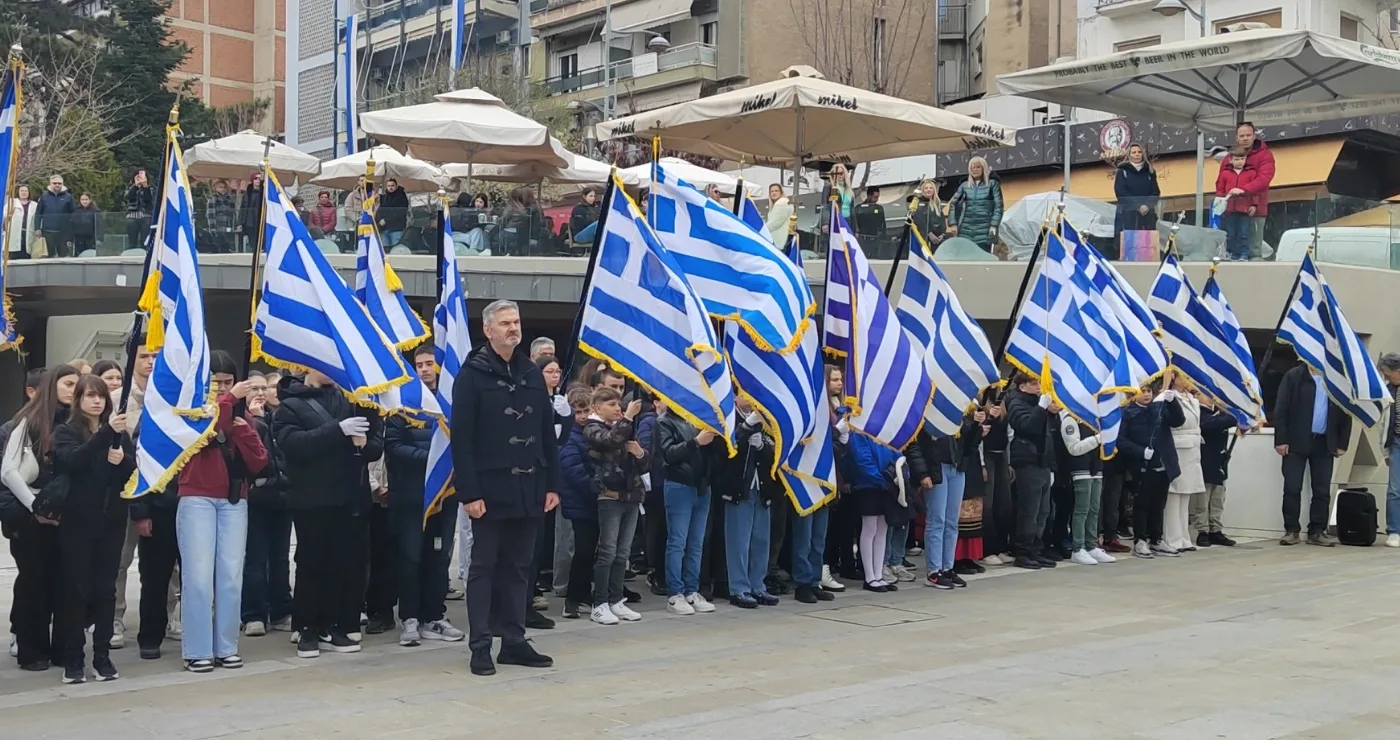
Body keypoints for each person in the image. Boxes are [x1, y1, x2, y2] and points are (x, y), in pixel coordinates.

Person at [453, 300, 560, 676]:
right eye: (505, 323)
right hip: (490, 489)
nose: (513, 328)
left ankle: (513, 640)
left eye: (516, 322)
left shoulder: (531, 372)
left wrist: (552, 484)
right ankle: (480, 644)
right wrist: (469, 493)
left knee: (519, 567)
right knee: (484, 568)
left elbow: (546, 433)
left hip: (530, 487)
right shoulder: (472, 375)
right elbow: (462, 440)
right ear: (488, 330)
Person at [274, 368, 384, 659]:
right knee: (312, 564)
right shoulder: (290, 405)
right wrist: (337, 430)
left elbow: (374, 444)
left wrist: (365, 444)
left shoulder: (352, 399)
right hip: (311, 498)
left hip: (349, 496)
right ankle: (308, 627)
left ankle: (334, 625)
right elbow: (293, 445)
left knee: (342, 565)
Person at [174, 351, 268, 673]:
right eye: (216, 383)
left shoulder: (244, 415)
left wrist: (243, 428)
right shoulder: (192, 410)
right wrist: (228, 400)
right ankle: (197, 649)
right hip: (197, 496)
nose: (222, 388)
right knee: (198, 577)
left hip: (234, 500)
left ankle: (226, 646)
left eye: (227, 382)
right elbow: (205, 432)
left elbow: (259, 461)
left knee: (230, 577)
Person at [50, 374, 134, 683]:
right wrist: (105, 437)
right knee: (76, 589)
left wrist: (122, 459)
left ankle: (102, 656)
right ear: (78, 401)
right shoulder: (66, 431)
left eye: (100, 396)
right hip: (77, 522)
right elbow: (72, 461)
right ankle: (73, 658)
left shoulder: (118, 433)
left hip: (111, 520)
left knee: (105, 590)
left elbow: (130, 472)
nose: (97, 401)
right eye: (89, 396)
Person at [384, 346, 465, 647]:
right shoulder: (402, 406)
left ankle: (435, 615)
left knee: (438, 557)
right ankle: (410, 618)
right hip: (411, 498)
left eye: (430, 363)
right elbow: (394, 447)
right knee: (410, 558)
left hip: (445, 497)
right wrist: (431, 459)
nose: (425, 369)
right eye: (419, 364)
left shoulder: (453, 405)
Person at [2, 365, 78, 671]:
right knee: (35, 585)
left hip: (70, 516)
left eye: (77, 383)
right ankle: (32, 650)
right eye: (68, 383)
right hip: (32, 517)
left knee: (66, 585)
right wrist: (35, 507)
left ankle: (62, 649)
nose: (74, 389)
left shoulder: (79, 422)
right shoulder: (28, 422)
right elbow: (9, 472)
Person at [113, 340, 167, 651]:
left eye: (155, 356)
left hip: (160, 489)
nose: (149, 361)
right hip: (125, 486)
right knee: (120, 560)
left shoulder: (169, 394)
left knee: (167, 566)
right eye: (143, 355)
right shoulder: (117, 398)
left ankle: (172, 614)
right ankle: (114, 616)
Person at [576, 387, 647, 624]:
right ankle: (600, 602)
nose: (617, 409)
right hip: (610, 496)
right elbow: (609, 441)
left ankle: (616, 599)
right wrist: (627, 417)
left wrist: (640, 454)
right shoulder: (593, 428)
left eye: (619, 404)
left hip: (631, 496)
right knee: (607, 551)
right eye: (611, 405)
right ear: (597, 408)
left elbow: (644, 465)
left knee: (623, 553)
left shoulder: (624, 429)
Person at [1273, 363, 1350, 547]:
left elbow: (1346, 411)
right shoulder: (1294, 376)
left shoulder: (1336, 379)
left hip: (1324, 442)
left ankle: (1317, 531)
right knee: (1292, 487)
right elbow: (1281, 408)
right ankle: (1292, 530)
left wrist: (1341, 442)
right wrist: (1281, 439)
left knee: (1322, 490)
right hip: (1296, 441)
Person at [241, 372, 293, 637]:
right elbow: (257, 459)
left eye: (266, 388)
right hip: (255, 498)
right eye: (255, 388)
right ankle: (253, 614)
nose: (261, 393)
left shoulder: (283, 417)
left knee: (280, 557)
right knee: (255, 558)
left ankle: (281, 609)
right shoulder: (247, 421)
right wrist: (258, 421)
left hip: (282, 496)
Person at [657, 404, 720, 615]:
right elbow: (668, 453)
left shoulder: (698, 417)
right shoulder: (664, 421)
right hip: (679, 483)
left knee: (696, 542)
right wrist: (696, 442)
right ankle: (675, 593)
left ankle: (692, 590)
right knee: (678, 541)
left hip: (702, 485)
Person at [718, 399, 780, 610]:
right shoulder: (728, 415)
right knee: (739, 541)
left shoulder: (765, 419)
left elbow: (776, 449)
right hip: (739, 487)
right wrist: (745, 428)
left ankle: (758, 584)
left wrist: (763, 445)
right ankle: (738, 587)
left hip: (761, 487)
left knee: (761, 540)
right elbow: (726, 446)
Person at [1118, 383, 1186, 559]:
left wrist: (1173, 403)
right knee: (1142, 504)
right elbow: (1121, 440)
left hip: (1163, 463)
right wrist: (1141, 452)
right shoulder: (1127, 413)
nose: (1146, 395)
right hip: (1142, 466)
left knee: (1159, 504)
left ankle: (1156, 539)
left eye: (1148, 391)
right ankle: (1140, 540)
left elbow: (1178, 421)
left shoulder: (1160, 408)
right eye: (1142, 392)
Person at [841, 419, 904, 593]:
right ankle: (869, 576)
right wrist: (881, 479)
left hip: (886, 484)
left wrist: (899, 473)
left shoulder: (884, 428)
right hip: (868, 485)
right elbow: (863, 460)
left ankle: (878, 574)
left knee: (882, 529)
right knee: (869, 529)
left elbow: (897, 451)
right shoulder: (859, 431)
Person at [1005, 372, 1059, 570]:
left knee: (1043, 510)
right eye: (1034, 383)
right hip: (1027, 461)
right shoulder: (1016, 402)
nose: (1038, 387)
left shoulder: (1036, 403)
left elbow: (1046, 434)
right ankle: (1022, 551)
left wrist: (1049, 412)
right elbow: (1027, 426)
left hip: (1042, 461)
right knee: (1029, 510)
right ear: (1022, 386)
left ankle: (1036, 548)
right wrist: (1042, 408)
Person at [558, 387, 597, 618]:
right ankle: (572, 598)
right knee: (582, 550)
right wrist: (597, 487)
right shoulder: (569, 435)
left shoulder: (591, 432)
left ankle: (584, 593)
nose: (582, 416)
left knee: (590, 550)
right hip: (579, 501)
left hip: (592, 500)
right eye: (578, 411)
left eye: (586, 411)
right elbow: (573, 470)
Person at [1057, 410, 1113, 566]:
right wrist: (1097, 439)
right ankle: (1078, 547)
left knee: (1094, 508)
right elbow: (1074, 448)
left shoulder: (1095, 419)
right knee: (1082, 509)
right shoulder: (1071, 419)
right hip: (1080, 467)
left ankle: (1091, 545)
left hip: (1096, 465)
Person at [1218, 122, 1275, 260]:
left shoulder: (1265, 155)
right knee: (1232, 244)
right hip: (1231, 210)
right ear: (1237, 138)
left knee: (1254, 250)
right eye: (1241, 135)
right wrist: (1220, 201)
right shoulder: (1228, 157)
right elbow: (1220, 182)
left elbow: (1264, 179)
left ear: (1254, 136)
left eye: (1248, 135)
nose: (1245, 138)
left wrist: (1243, 191)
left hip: (1255, 211)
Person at [1164, 378, 1205, 553]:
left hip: (1192, 448)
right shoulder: (1170, 397)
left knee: (1185, 495)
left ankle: (1184, 537)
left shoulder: (1192, 398)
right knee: (1174, 495)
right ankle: (1172, 538)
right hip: (1179, 446)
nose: (1189, 380)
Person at [1195, 393, 1239, 548]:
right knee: (1203, 499)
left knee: (1217, 498)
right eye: (1206, 395)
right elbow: (1209, 424)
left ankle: (1216, 529)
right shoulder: (1200, 412)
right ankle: (1202, 530)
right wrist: (1232, 415)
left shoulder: (1217, 414)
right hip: (1205, 460)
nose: (1210, 398)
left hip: (1219, 461)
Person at [949, 157, 1003, 254]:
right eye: (972, 167)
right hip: (965, 230)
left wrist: (994, 225)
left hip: (985, 230)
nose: (975, 169)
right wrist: (953, 224)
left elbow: (998, 206)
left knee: (983, 259)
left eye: (978, 167)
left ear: (984, 169)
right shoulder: (964, 185)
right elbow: (953, 204)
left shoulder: (992, 185)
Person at [1113, 143, 1160, 254]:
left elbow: (1155, 192)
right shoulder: (1122, 171)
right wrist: (1138, 206)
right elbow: (1121, 192)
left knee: (1147, 249)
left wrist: (1147, 206)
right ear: (1129, 155)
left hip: (1147, 216)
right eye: (1134, 152)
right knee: (1130, 249)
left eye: (1139, 152)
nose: (1137, 154)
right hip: (1128, 215)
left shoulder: (1150, 171)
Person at [1216, 146, 1260, 261]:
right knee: (1230, 233)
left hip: (1244, 208)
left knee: (1244, 233)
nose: (1240, 161)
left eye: (1242, 158)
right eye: (1236, 159)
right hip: (1229, 209)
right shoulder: (1225, 174)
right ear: (1230, 160)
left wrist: (1254, 205)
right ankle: (1232, 253)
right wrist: (1220, 203)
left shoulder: (1251, 173)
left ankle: (1244, 254)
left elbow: (1254, 191)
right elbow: (1220, 189)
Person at [1381, 354, 1400, 548]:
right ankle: (1394, 531)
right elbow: (1383, 425)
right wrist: (1384, 451)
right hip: (1396, 443)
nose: (1386, 377)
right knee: (1395, 489)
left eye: (1387, 374)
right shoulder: (1389, 392)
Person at [907, 179, 946, 251]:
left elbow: (942, 220)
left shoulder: (937, 204)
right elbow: (919, 220)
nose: (929, 190)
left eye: (931, 188)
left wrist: (942, 234)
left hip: (937, 240)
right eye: (926, 188)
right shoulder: (918, 202)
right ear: (923, 190)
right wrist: (929, 233)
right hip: (923, 238)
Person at [375, 178, 410, 247]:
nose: (390, 187)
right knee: (385, 251)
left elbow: (400, 213)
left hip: (396, 228)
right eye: (388, 186)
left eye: (392, 186)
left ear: (396, 186)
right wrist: (380, 220)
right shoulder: (384, 197)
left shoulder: (402, 197)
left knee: (396, 251)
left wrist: (385, 220)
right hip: (384, 229)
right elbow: (379, 210)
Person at [125, 170, 154, 252]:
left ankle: (145, 254)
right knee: (132, 241)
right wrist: (135, 186)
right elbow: (128, 198)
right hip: (132, 215)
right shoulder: (130, 187)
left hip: (146, 216)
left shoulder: (150, 188)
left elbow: (149, 200)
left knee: (145, 240)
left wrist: (145, 187)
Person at [206, 180, 239, 253]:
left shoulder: (230, 199)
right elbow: (210, 214)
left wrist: (235, 225)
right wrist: (212, 227)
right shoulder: (213, 199)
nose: (223, 189)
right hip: (218, 226)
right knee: (218, 245)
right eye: (220, 187)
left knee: (228, 245)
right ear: (216, 188)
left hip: (228, 226)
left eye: (224, 187)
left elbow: (233, 214)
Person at [852, 186, 886, 251]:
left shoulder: (879, 208)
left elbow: (883, 225)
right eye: (875, 197)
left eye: (878, 197)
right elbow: (855, 225)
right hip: (862, 241)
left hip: (876, 241)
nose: (877, 199)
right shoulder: (859, 209)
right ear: (869, 196)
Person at [238, 173, 265, 253]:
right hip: (249, 221)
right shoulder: (247, 193)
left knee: (262, 240)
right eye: (256, 178)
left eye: (260, 179)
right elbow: (242, 208)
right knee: (252, 242)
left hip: (261, 220)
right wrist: (240, 223)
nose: (258, 180)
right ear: (252, 180)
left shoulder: (265, 192)